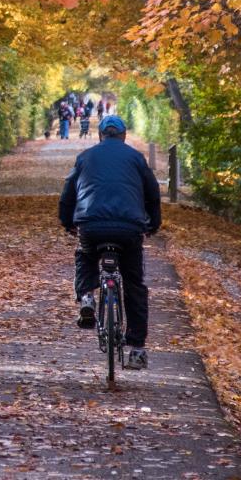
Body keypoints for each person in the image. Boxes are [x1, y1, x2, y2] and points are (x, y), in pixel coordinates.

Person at [58, 114, 161, 369]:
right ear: (124, 136)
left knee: (85, 255)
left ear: (100, 135)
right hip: (129, 228)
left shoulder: (85, 157)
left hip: (91, 226)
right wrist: (153, 224)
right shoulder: (136, 158)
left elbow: (68, 194)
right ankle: (137, 349)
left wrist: (67, 222)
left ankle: (86, 297)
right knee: (134, 284)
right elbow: (153, 194)